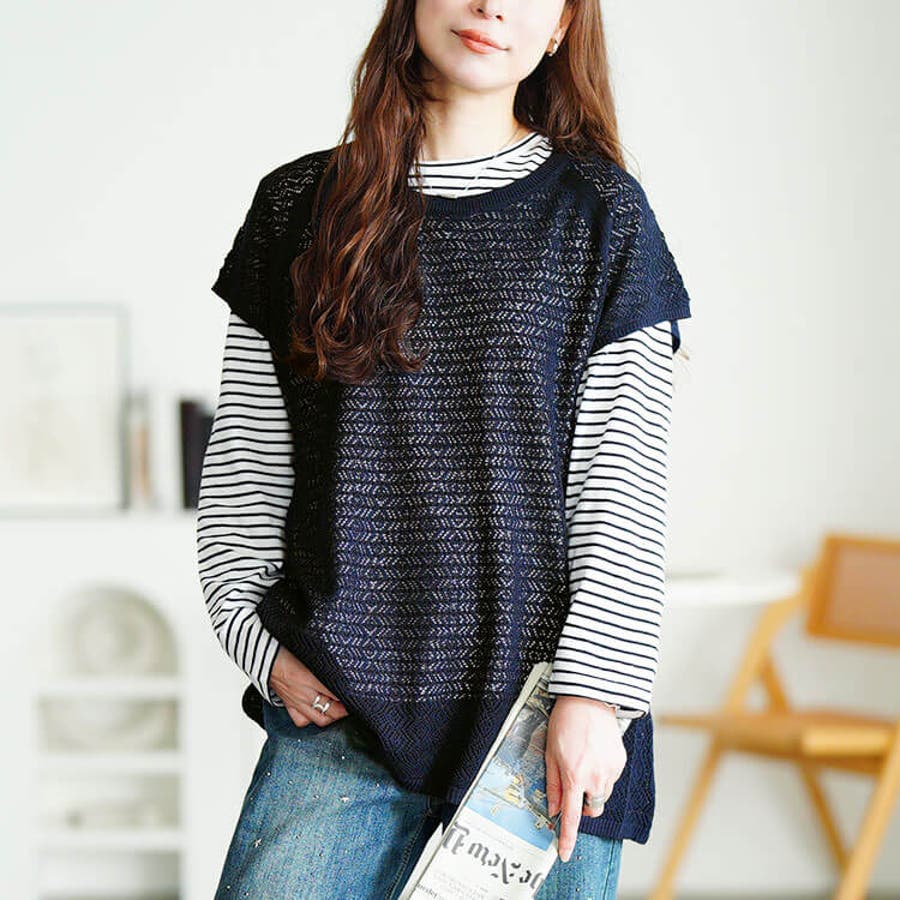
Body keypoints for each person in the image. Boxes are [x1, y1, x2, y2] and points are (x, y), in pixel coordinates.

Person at [196, 1, 692, 897]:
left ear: (560, 26)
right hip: (340, 720)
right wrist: (259, 644)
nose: (492, 5)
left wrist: (595, 697)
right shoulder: (296, 209)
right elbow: (247, 468)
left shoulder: (601, 215)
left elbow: (622, 488)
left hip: (537, 733)